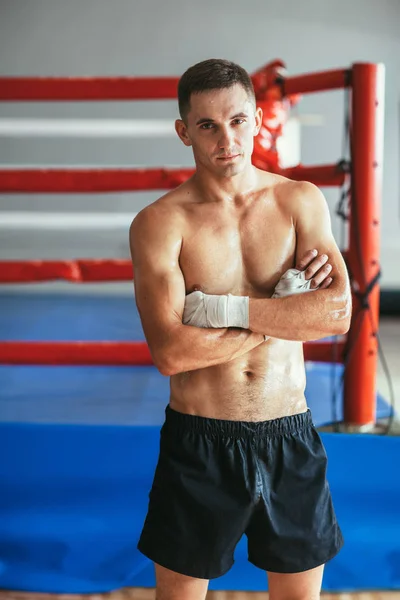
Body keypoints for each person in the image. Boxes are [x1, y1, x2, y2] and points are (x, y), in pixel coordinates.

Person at [129, 58, 351, 600]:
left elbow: (336, 314)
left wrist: (219, 310)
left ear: (257, 119)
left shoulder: (299, 201)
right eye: (206, 125)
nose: (225, 138)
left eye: (236, 121)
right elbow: (172, 354)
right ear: (184, 132)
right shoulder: (161, 223)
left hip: (290, 433)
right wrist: (283, 311)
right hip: (200, 441)